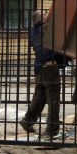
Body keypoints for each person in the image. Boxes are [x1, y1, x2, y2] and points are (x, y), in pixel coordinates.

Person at [20, 10, 69, 138]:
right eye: (44, 13)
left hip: (39, 68)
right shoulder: (46, 30)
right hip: (50, 68)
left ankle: (28, 120)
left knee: (39, 97)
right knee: (53, 99)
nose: (47, 14)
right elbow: (51, 49)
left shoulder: (33, 32)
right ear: (41, 18)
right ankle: (51, 129)